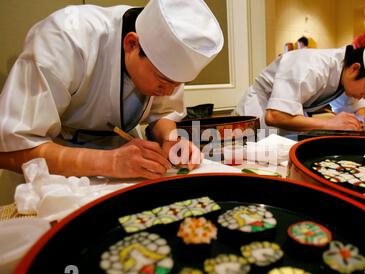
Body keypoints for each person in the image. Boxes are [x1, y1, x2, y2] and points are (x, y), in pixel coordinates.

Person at [0, 0, 224, 179]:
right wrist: (110, 162)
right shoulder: (66, 37)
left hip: (128, 168)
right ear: (131, 44)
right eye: (163, 80)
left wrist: (171, 138)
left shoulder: (161, 61)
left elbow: (163, 114)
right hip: (56, 167)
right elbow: (10, 150)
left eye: (178, 84)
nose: (169, 92)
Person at [236, 35, 365, 135]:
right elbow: (274, 116)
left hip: (284, 123)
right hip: (256, 114)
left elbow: (354, 105)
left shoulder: (344, 72)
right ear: (354, 69)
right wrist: (329, 124)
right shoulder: (310, 66)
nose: (364, 97)